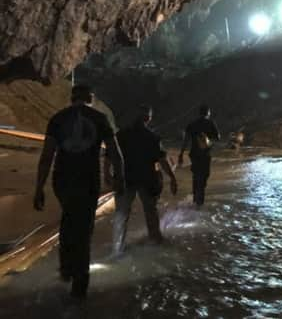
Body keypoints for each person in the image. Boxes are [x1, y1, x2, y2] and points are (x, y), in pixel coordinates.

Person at [33, 85, 124, 299]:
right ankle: (79, 285)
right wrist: (120, 180)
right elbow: (116, 154)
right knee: (84, 229)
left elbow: (47, 156)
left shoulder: (57, 118)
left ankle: (66, 268)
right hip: (87, 180)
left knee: (68, 218)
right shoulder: (100, 118)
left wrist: (39, 188)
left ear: (72, 98)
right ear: (90, 98)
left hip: (62, 180)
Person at [108, 105, 178, 256]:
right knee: (150, 212)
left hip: (125, 178)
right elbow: (162, 160)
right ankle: (155, 241)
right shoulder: (152, 137)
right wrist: (172, 178)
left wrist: (107, 175)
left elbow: (109, 155)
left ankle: (118, 248)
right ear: (148, 118)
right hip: (147, 180)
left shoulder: (121, 135)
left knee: (122, 214)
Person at [178, 105, 220, 208]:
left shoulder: (192, 124)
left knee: (196, 175)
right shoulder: (210, 123)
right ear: (208, 113)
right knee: (204, 176)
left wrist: (181, 154)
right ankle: (199, 202)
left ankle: (195, 197)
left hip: (194, 154)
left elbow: (186, 140)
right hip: (205, 154)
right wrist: (208, 139)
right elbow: (218, 137)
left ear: (199, 113)